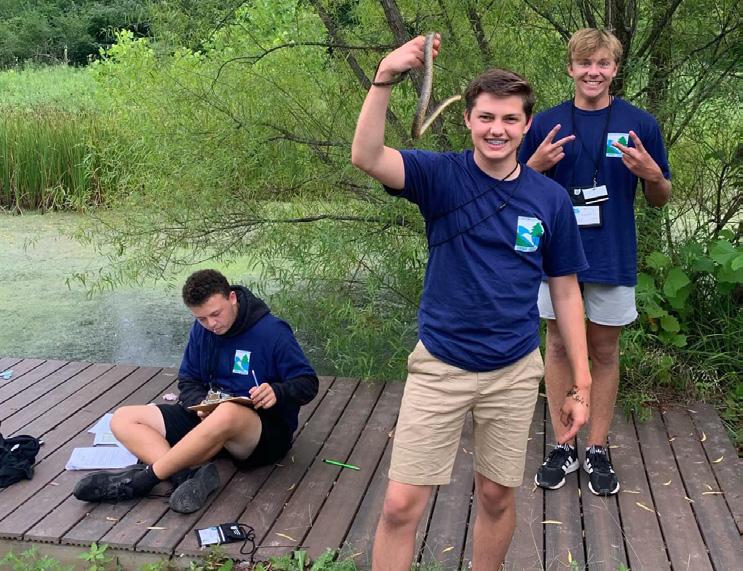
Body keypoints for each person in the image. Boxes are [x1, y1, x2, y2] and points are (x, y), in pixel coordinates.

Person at [351, 34, 592, 571]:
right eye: (486, 117)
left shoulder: (549, 200)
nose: (496, 129)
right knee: (399, 505)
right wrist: (385, 75)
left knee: (497, 496)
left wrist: (582, 382)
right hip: (440, 365)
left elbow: (565, 291)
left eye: (509, 119)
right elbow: (366, 156)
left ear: (527, 125)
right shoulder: (440, 176)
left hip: (513, 370)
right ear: (467, 120)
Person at [519, 28, 671, 496]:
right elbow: (511, 189)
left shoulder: (640, 124)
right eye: (585, 63)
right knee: (559, 346)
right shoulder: (545, 124)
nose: (593, 72)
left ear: (615, 69)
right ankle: (563, 444)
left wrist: (652, 175)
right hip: (556, 254)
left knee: (604, 350)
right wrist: (534, 167)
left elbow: (661, 197)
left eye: (602, 63)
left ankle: (598, 447)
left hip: (611, 250)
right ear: (571, 68)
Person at [73, 269, 318, 513]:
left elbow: (308, 383)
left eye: (216, 314)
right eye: (202, 319)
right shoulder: (203, 330)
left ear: (232, 298)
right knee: (123, 418)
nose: (211, 324)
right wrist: (200, 404)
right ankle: (184, 477)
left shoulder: (272, 331)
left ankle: (143, 480)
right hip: (210, 420)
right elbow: (188, 380)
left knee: (228, 412)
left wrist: (277, 392)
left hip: (261, 434)